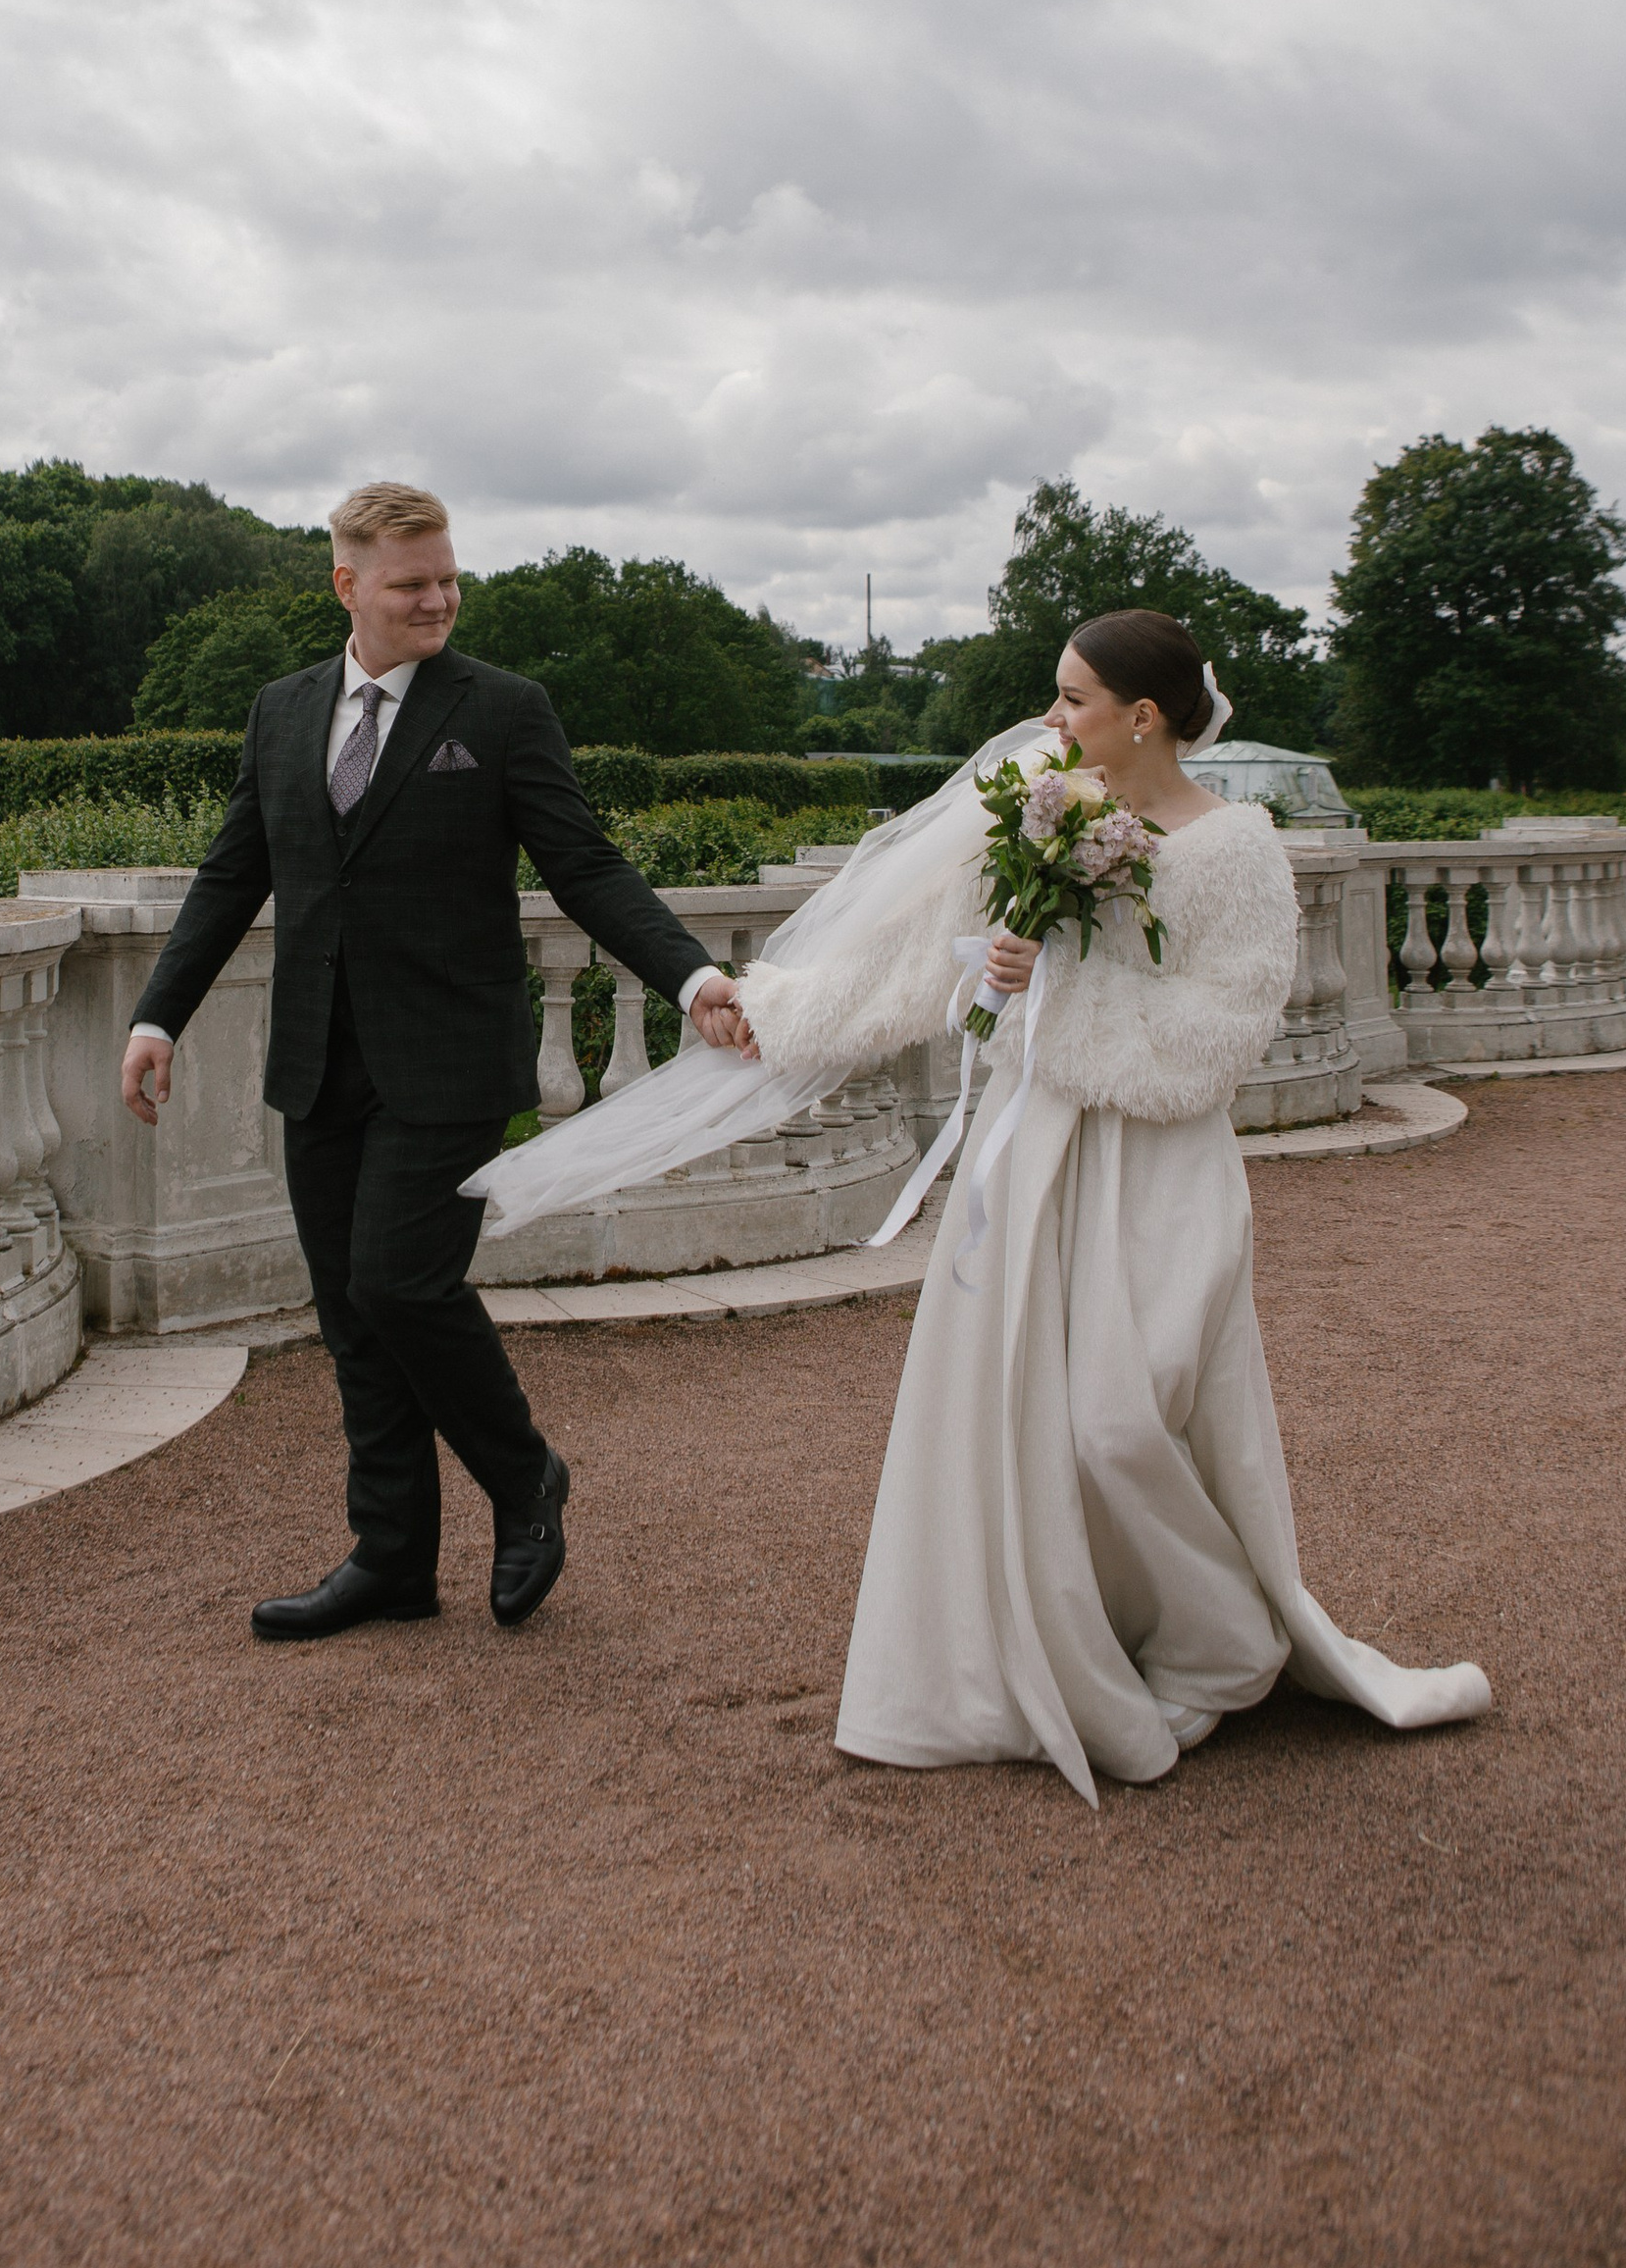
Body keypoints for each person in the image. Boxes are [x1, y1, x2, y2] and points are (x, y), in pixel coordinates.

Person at [466, 607, 1490, 1802]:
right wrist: (775, 1008)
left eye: (1069, 701)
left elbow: (1224, 1035)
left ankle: (1224, 1642)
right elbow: (914, 963)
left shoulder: (1237, 848)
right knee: (1031, 1419)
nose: (1047, 722)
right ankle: (1109, 1646)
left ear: (1141, 717)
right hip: (1033, 1151)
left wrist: (1050, 990)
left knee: (1126, 1412)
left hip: (1159, 1157)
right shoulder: (1040, 802)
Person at [120, 482, 753, 1645]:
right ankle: (394, 1559)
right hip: (316, 1060)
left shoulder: (503, 710)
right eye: (412, 582)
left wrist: (693, 978)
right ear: (346, 585)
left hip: (451, 1060)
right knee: (353, 1316)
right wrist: (158, 1015)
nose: (440, 598)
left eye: (448, 576)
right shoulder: (280, 711)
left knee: (400, 1283)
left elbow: (586, 866)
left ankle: (524, 1480)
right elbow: (231, 875)